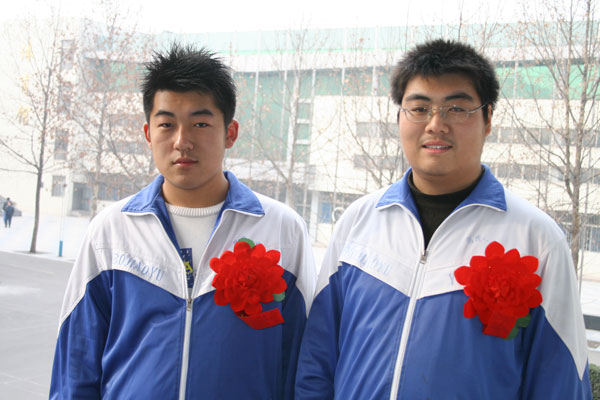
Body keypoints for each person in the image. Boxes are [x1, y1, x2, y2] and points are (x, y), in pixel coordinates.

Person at [295, 39, 592, 399]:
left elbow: (559, 380)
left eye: (457, 108)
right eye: (419, 108)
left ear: (488, 119)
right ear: (400, 117)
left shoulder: (535, 238)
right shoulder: (358, 222)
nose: (436, 124)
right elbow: (318, 358)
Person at [50, 44, 316, 399]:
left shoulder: (281, 229)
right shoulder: (112, 231)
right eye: (166, 124)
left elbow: (304, 359)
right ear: (148, 134)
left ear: (230, 133)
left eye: (200, 124)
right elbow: (76, 363)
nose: (182, 141)